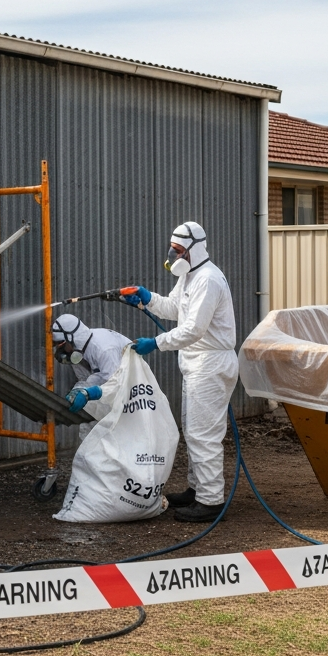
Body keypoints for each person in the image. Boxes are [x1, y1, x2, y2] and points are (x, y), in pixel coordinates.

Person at [124, 222, 238, 523]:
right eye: (172, 250)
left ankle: (211, 502)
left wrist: (157, 343)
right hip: (197, 364)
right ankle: (198, 489)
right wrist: (148, 298)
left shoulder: (209, 280)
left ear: (193, 248)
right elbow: (175, 309)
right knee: (193, 431)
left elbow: (194, 329)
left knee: (203, 435)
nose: (173, 255)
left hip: (211, 364)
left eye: (177, 250)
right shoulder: (189, 276)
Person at [52, 314, 132, 439]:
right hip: (109, 386)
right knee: (89, 418)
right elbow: (85, 380)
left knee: (116, 428)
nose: (59, 348)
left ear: (71, 337)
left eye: (60, 343)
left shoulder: (104, 349)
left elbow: (117, 386)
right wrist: (77, 391)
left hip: (130, 389)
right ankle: (90, 456)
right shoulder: (77, 352)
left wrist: (87, 394)